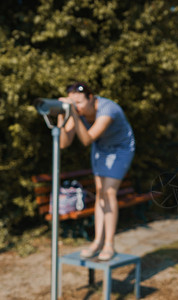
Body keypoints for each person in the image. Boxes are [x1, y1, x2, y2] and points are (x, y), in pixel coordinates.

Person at [58, 82, 135, 261]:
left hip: (120, 149)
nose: (76, 107)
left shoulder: (109, 109)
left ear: (91, 98)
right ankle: (97, 241)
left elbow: (87, 139)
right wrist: (63, 115)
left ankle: (109, 244)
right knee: (100, 193)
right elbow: (63, 143)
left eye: (79, 103)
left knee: (109, 192)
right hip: (101, 148)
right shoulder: (76, 111)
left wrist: (74, 116)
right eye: (72, 103)